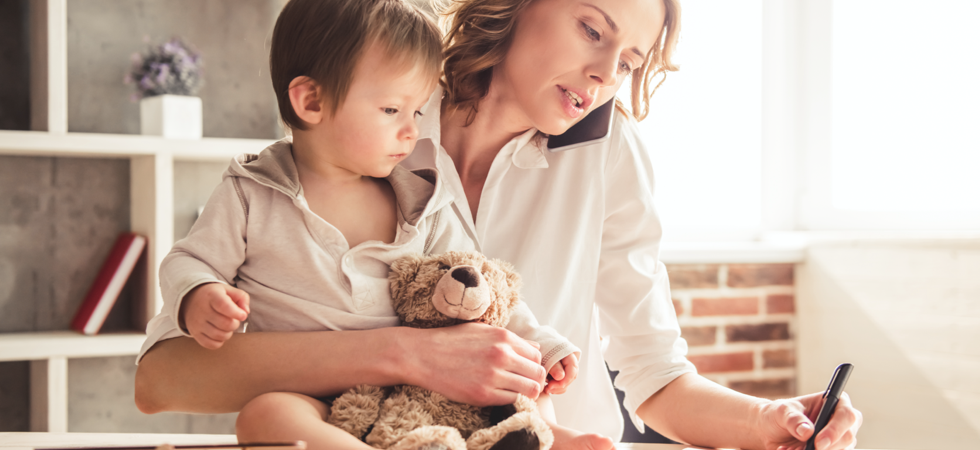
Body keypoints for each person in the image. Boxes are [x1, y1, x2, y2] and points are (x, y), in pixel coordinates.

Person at [136, 0, 863, 449]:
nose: (607, 73)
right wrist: (406, 356)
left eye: (630, 59)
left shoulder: (609, 155)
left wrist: (768, 422)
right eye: (592, 29)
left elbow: (656, 376)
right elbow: (165, 378)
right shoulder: (378, 113)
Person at [136, 1, 582, 449]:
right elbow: (188, 260)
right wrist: (198, 295)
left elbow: (486, 284)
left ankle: (544, 435)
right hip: (311, 399)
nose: (411, 132)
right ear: (311, 101)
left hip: (420, 398)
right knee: (263, 416)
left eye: (417, 112)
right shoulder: (252, 191)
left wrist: (542, 343)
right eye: (392, 110)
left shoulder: (425, 202)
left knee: (515, 367)